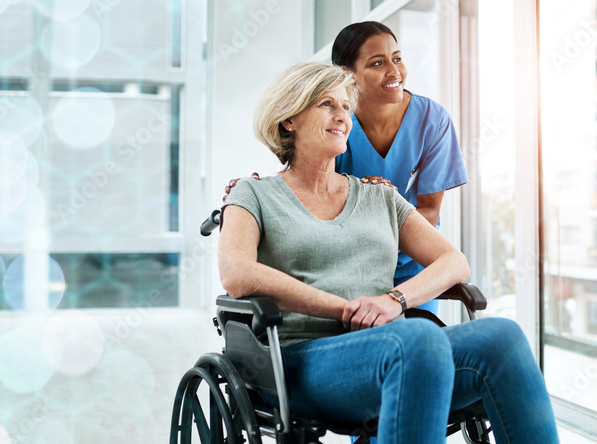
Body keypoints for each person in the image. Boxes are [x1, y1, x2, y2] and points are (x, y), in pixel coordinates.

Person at [218, 62, 558, 444]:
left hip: (397, 350)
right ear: (288, 121)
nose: (342, 116)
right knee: (415, 338)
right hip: (297, 360)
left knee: (501, 336)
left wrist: (394, 300)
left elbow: (453, 261)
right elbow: (237, 272)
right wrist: (342, 309)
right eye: (326, 104)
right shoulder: (253, 193)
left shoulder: (379, 195)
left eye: (346, 107)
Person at [225, 21, 468, 317]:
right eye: (378, 63)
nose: (394, 72)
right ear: (348, 74)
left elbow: (446, 243)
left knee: (495, 335)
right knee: (421, 342)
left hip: (406, 268)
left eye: (398, 58)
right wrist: (251, 194)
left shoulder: (423, 131)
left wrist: (391, 297)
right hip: (341, 288)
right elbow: (310, 185)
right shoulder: (262, 188)